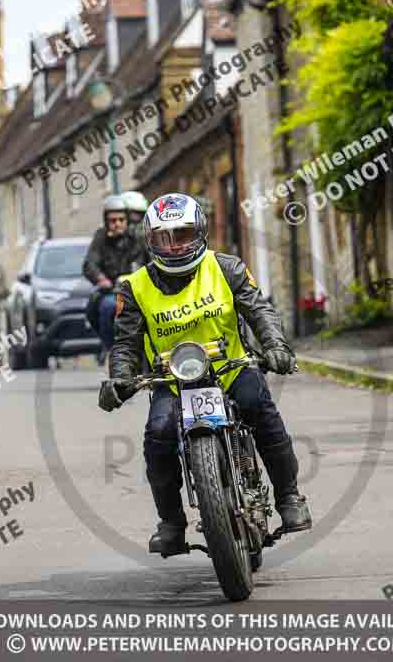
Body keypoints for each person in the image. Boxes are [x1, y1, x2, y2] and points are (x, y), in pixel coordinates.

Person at [98, 193, 312, 555]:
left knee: (258, 408)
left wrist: (276, 346)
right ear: (150, 241)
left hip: (230, 370)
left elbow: (260, 309)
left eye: (182, 235)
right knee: (159, 435)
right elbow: (126, 344)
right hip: (171, 382)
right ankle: (171, 523)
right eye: (165, 238)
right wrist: (120, 378)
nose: (175, 246)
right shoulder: (134, 287)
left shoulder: (226, 267)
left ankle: (289, 497)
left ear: (200, 232)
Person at [83, 195, 147, 351]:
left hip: (139, 290)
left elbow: (150, 260)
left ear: (127, 220)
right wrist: (101, 278)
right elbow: (90, 264)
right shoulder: (101, 238)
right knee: (105, 307)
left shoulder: (138, 238)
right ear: (106, 222)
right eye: (112, 221)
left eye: (121, 220)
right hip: (112, 291)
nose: (117, 224)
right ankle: (112, 349)